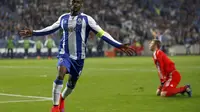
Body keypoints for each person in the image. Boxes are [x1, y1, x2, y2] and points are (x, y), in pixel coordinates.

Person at [19, 0, 135, 111]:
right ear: (70, 2)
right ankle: (55, 107)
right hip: (64, 54)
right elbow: (50, 29)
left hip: (79, 58)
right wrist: (33, 32)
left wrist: (118, 45)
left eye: (78, 2)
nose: (75, 4)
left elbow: (102, 33)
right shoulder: (63, 18)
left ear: (81, 4)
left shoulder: (87, 19)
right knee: (61, 72)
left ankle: (62, 98)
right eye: (73, 1)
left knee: (71, 86)